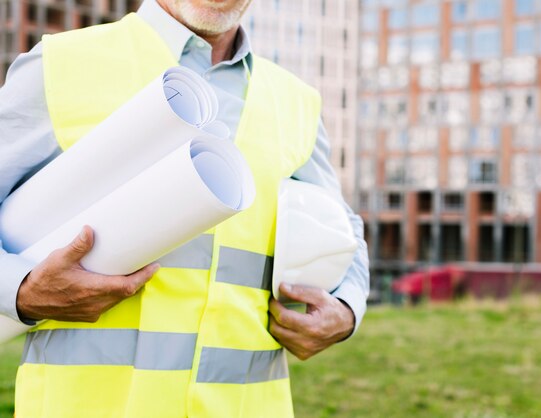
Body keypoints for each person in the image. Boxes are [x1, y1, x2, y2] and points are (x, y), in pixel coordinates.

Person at [0, 0, 369, 416]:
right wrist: (22, 291)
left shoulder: (297, 101)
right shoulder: (61, 64)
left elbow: (343, 227)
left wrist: (347, 311)